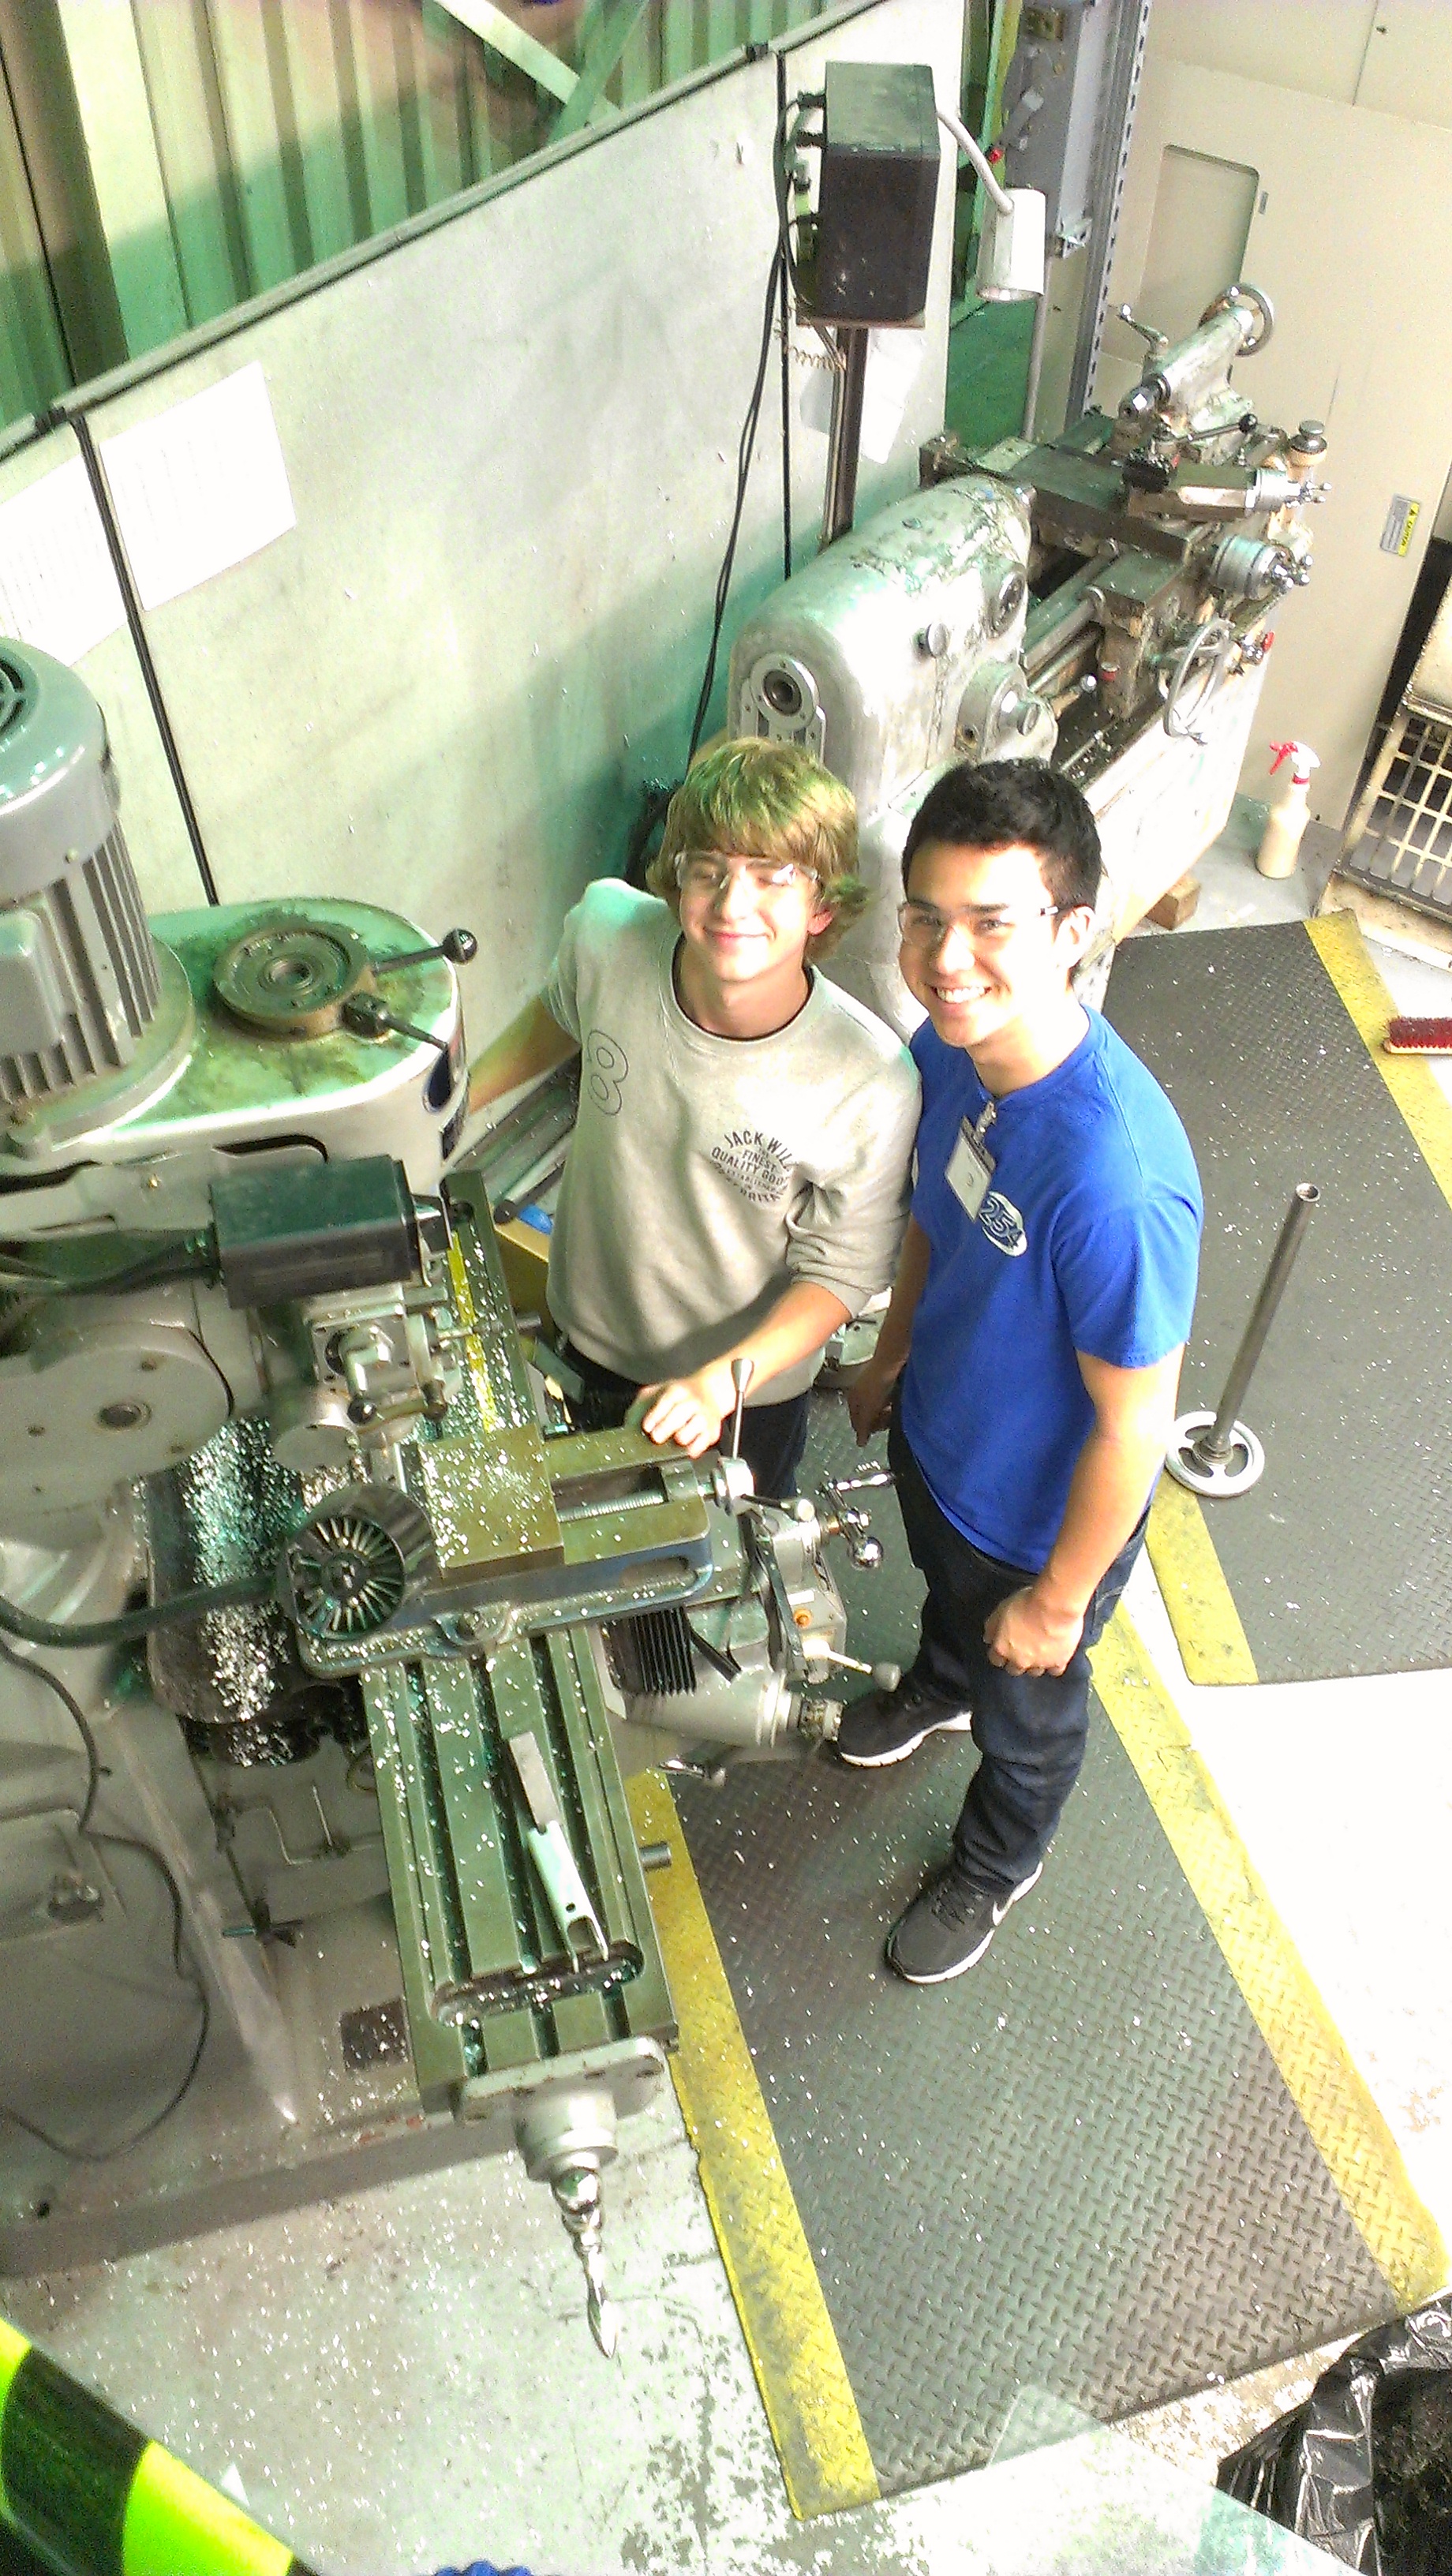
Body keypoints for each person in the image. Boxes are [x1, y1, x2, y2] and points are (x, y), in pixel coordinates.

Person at [839, 759, 1202, 1984]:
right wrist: (893, 1352)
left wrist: (1054, 1603)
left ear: (1072, 932)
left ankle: (1000, 1857)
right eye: (927, 917)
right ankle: (939, 1681)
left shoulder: (1113, 1178)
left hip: (1038, 1529)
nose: (948, 960)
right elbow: (938, 1216)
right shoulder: (957, 1052)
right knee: (956, 1622)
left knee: (1028, 1711)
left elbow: (1136, 1426)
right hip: (941, 1446)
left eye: (992, 924)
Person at [466, 738, 920, 1495]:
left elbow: (841, 1274)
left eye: (773, 879)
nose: (732, 904)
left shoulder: (870, 1082)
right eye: (709, 871)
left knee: (703, 1588)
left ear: (824, 907)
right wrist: (452, 1103)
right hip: (581, 1332)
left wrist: (718, 1384)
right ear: (677, 882)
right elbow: (562, 1012)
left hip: (742, 1400)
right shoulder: (607, 935)